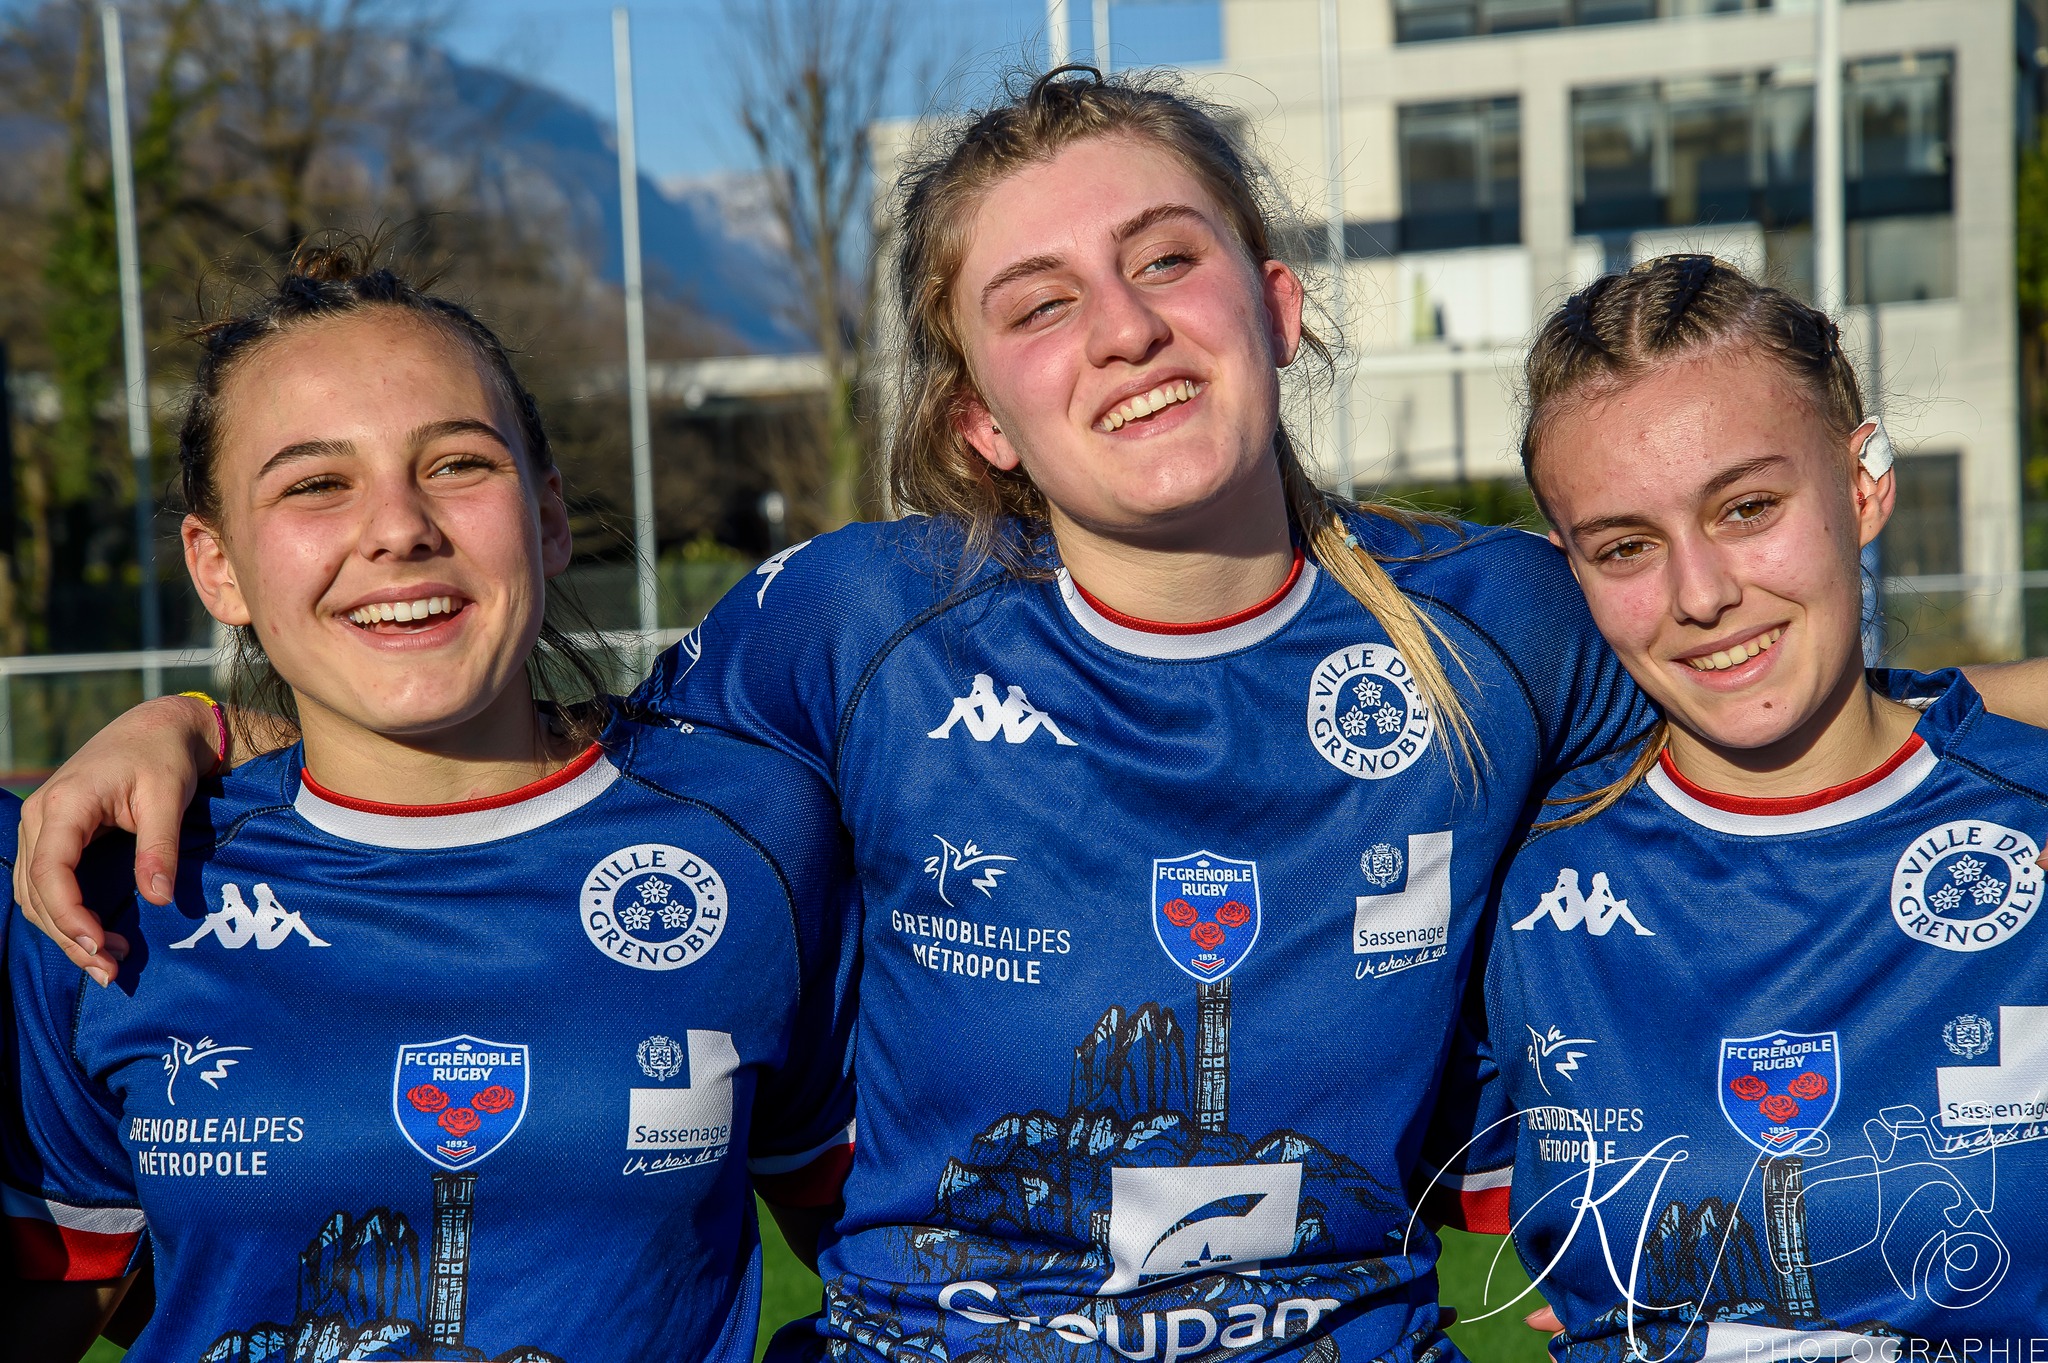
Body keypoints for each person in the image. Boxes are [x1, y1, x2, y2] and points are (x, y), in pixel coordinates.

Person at [16, 73, 2048, 1363]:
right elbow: (496, 749)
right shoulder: (854, 627)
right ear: (977, 409)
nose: (1128, 328)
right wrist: (198, 733)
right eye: (1040, 299)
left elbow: (1810, 695)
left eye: (1167, 261)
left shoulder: (1501, 617)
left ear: (1274, 300)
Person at [0, 247, 857, 1362]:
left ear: (548, 521)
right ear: (217, 567)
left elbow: (891, 1260)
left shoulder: (753, 835)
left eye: (456, 463)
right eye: (314, 482)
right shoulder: (110, 884)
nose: (398, 526)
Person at [1432, 255, 2048, 1357]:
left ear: (1861, 484)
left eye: (1747, 506)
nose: (1702, 594)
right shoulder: (1511, 880)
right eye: (1624, 545)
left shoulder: (2025, 821)